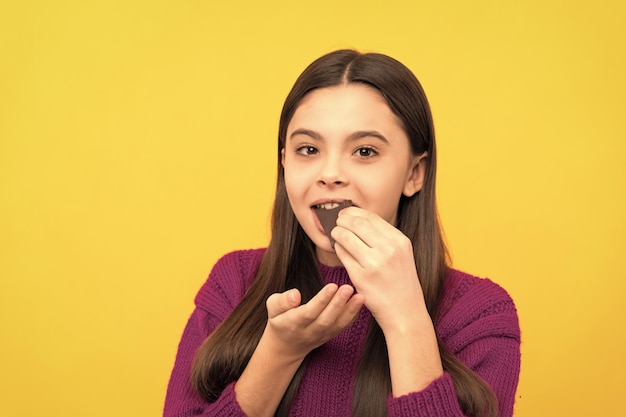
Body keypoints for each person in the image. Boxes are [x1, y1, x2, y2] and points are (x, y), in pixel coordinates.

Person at [163, 49, 521, 417]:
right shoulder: (234, 283)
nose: (330, 173)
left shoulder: (479, 313)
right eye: (308, 149)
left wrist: (406, 318)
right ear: (284, 161)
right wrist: (279, 353)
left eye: (365, 151)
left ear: (415, 173)